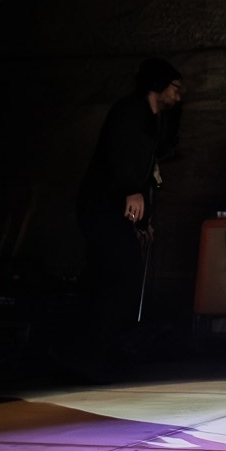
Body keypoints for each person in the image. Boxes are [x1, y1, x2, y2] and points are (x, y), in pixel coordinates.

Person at [74, 57, 184, 379]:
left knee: (118, 277)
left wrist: (142, 220)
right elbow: (120, 154)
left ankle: (99, 355)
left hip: (117, 209)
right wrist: (129, 191)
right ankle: (91, 355)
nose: (178, 96)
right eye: (175, 88)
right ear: (159, 84)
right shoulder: (130, 111)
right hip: (102, 206)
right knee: (117, 275)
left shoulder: (153, 120)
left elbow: (153, 163)